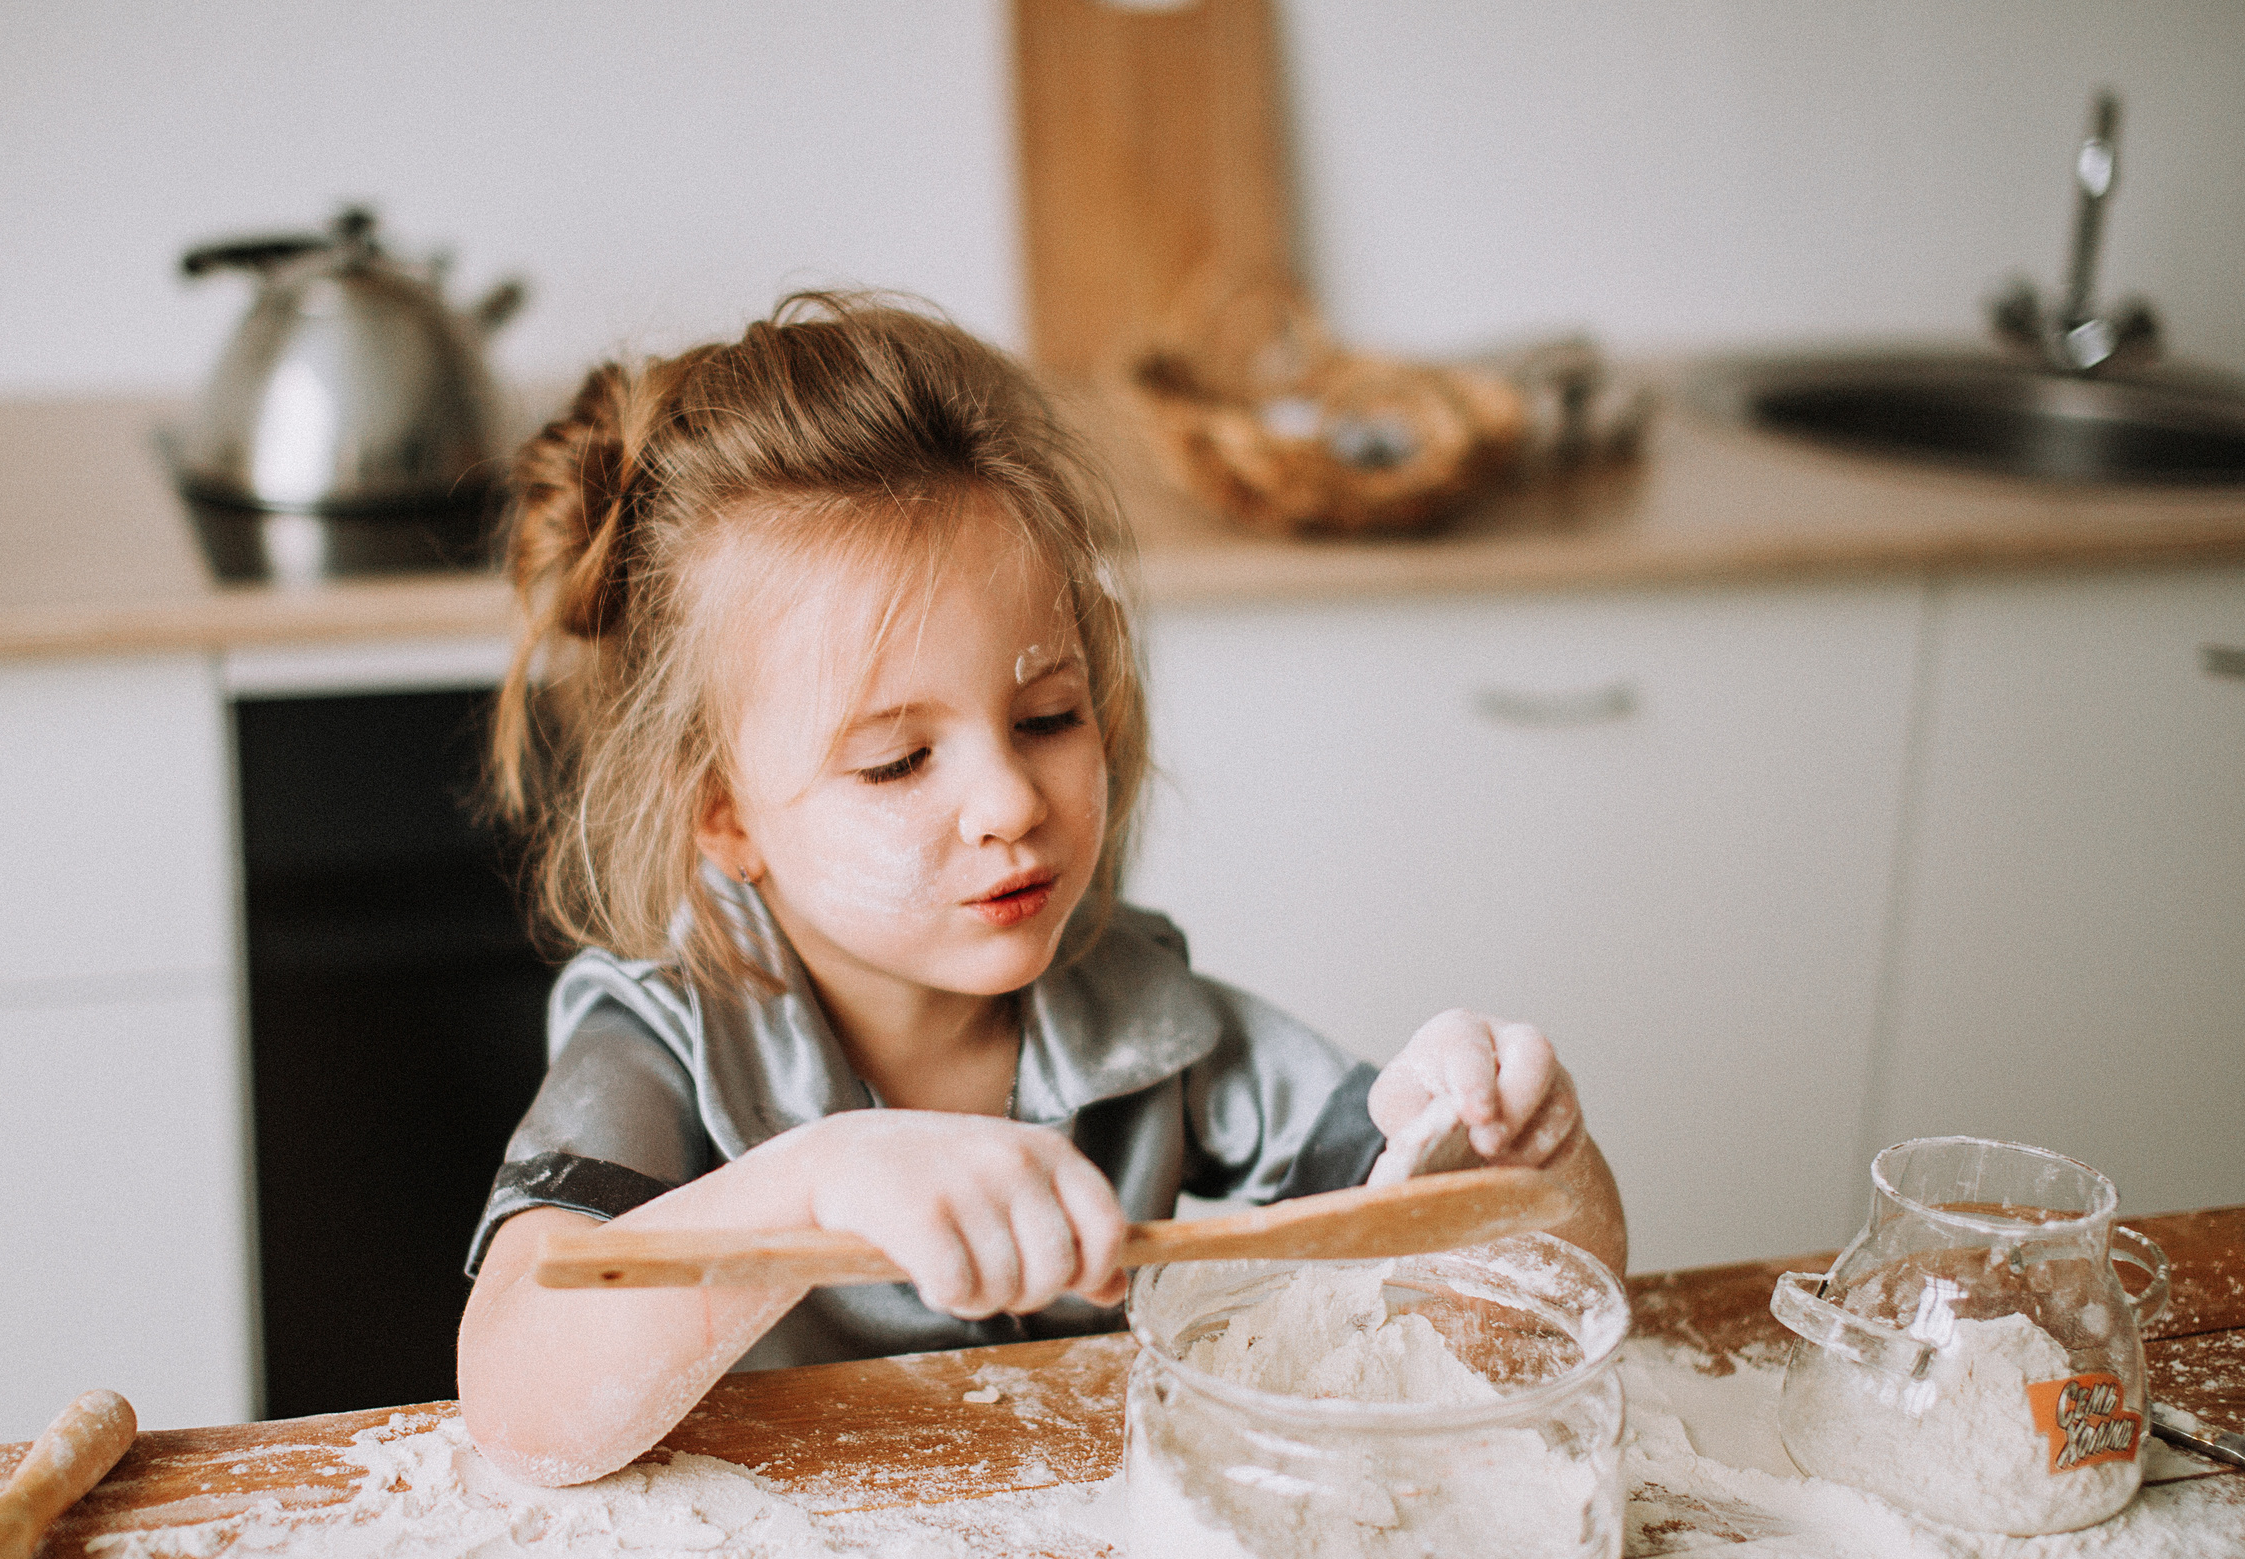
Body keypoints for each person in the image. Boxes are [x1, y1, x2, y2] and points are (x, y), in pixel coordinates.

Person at [456, 292, 1625, 1487]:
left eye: (1049, 717)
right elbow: (516, 1405)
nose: (1010, 801)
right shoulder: (662, 1044)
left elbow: (1509, 1327)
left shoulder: (1142, 1021)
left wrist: (1516, 1152)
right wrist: (817, 1181)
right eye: (897, 761)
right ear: (725, 816)